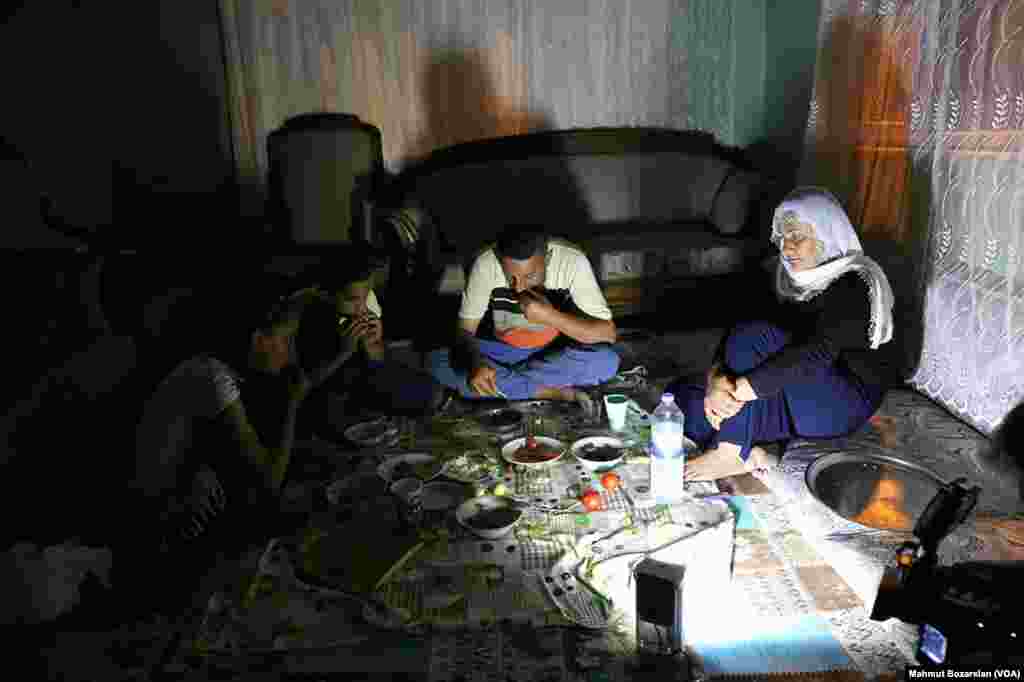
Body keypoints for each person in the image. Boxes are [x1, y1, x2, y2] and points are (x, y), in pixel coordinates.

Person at [668, 187, 896, 481]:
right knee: (680, 399)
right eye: (784, 237)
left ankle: (730, 451)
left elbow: (816, 351)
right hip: (792, 394)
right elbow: (737, 331)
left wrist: (736, 393)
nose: (787, 248)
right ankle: (762, 451)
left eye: (798, 237)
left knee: (756, 337)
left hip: (839, 404)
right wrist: (717, 382)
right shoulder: (783, 277)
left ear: (826, 235)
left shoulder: (854, 281)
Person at [130, 285, 350, 553]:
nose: (291, 354)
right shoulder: (212, 377)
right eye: (285, 341)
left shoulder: (227, 370)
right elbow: (267, 483)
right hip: (161, 525)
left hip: (199, 499)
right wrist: (291, 403)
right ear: (257, 339)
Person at [428, 227, 620, 406]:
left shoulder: (572, 261)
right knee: (437, 361)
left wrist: (549, 316)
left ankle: (504, 385)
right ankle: (555, 393)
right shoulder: (485, 263)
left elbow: (607, 334)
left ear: (547, 258)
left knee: (606, 362)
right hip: (502, 351)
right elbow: (464, 332)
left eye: (530, 276)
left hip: (552, 351)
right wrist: (477, 364)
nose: (518, 287)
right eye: (510, 277)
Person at [294, 257, 447, 425]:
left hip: (363, 381)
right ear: (328, 294)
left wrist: (373, 343)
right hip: (330, 390)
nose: (362, 308)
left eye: (365, 298)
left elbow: (378, 361)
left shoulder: (364, 310)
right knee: (329, 408)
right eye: (351, 300)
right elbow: (308, 383)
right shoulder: (312, 319)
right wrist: (344, 352)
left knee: (433, 390)